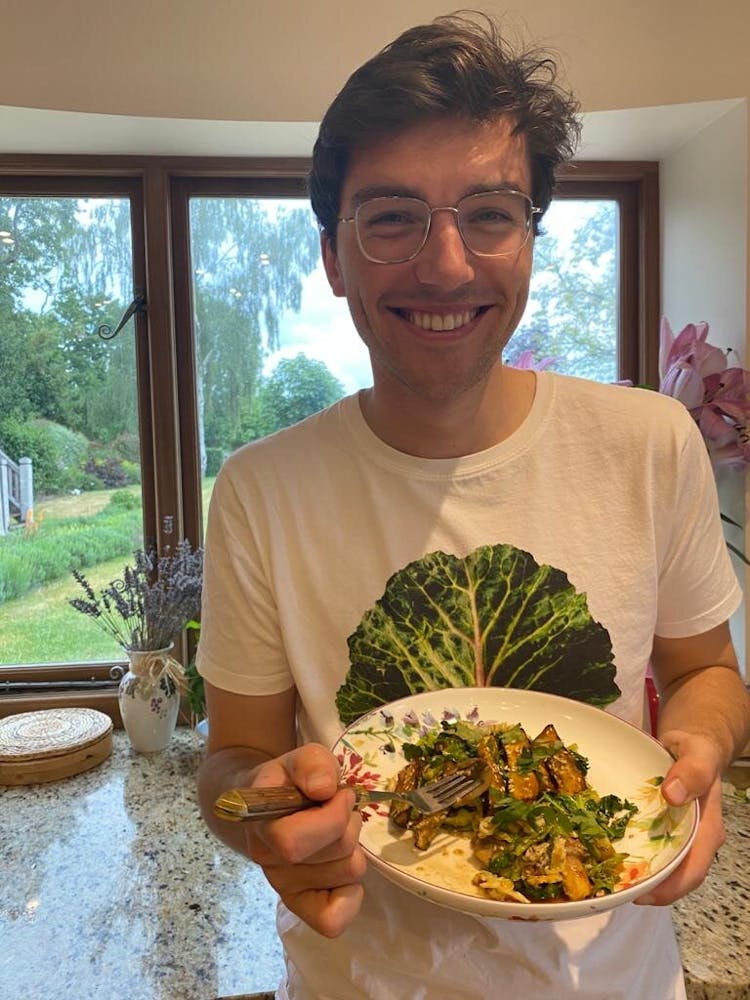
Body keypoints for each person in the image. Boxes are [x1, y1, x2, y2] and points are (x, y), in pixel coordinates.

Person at [197, 12, 750, 999]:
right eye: (393, 217)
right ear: (334, 256)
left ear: (531, 239)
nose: (446, 264)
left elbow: (705, 668)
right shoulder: (260, 488)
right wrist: (264, 818)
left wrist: (699, 755)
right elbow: (233, 756)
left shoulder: (652, 443)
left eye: (489, 213)